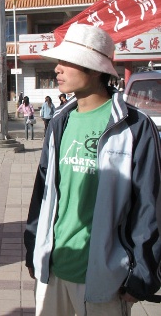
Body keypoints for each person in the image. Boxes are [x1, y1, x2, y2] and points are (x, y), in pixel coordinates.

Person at [24, 24, 161, 316]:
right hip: (54, 269)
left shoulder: (134, 127)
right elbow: (44, 192)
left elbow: (149, 206)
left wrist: (142, 275)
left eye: (68, 62)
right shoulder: (59, 122)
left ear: (96, 69)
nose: (58, 68)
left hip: (105, 277)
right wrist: (33, 249)